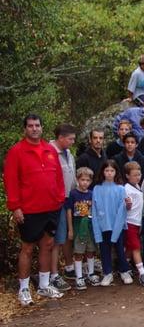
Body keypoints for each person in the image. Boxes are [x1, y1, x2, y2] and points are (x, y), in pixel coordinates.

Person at [4, 114, 66, 305]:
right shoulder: (17, 151)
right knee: (27, 248)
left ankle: (44, 284)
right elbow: (10, 181)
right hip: (29, 209)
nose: (34, 129)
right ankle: (23, 288)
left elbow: (58, 177)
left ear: (41, 128)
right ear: (25, 129)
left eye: (37, 125)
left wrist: (59, 198)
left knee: (47, 244)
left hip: (51, 207)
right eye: (30, 126)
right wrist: (15, 207)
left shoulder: (50, 149)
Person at [91, 160, 132, 287]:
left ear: (116, 172)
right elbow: (94, 209)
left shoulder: (120, 189)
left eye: (112, 171)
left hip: (117, 226)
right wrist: (97, 227)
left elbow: (123, 209)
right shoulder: (97, 189)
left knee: (120, 249)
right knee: (104, 250)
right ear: (103, 172)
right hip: (103, 225)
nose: (109, 173)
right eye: (107, 170)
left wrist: (128, 205)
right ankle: (107, 273)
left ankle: (124, 271)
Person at [49, 124, 77, 291]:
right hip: (56, 201)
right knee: (56, 239)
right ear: (60, 138)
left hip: (69, 199)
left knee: (67, 235)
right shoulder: (50, 152)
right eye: (70, 139)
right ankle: (53, 275)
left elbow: (71, 178)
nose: (72, 142)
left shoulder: (68, 154)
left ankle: (68, 266)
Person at [66, 167, 101, 290]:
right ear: (77, 180)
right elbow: (69, 211)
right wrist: (70, 229)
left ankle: (91, 273)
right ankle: (79, 276)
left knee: (91, 250)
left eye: (87, 180)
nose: (85, 182)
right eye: (82, 180)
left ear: (91, 182)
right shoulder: (73, 194)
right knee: (78, 251)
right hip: (78, 225)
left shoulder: (92, 194)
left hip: (90, 227)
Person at [123, 162, 144, 287]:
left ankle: (123, 265)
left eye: (139, 174)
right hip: (129, 222)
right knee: (136, 247)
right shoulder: (126, 189)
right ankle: (142, 273)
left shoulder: (138, 186)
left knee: (130, 247)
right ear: (127, 176)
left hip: (137, 222)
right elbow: (125, 206)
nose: (137, 177)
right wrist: (127, 205)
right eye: (134, 175)